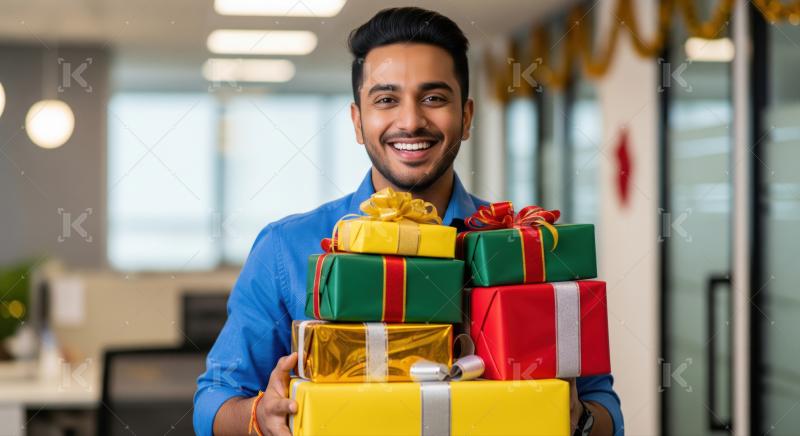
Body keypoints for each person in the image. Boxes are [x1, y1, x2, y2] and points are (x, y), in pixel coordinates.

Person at [194, 7, 623, 436]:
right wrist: (259, 418)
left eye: (434, 98)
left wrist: (578, 418)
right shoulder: (286, 247)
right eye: (386, 100)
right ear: (358, 122)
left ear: (467, 117)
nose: (411, 120)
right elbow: (213, 400)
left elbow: (604, 407)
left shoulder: (527, 248)